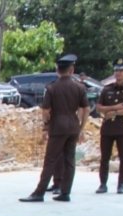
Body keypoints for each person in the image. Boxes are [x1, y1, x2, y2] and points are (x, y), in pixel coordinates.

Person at [19, 54, 89, 203]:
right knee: (69, 160)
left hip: (57, 126)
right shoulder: (79, 87)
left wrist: (46, 126)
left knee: (50, 160)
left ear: (57, 69)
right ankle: (65, 192)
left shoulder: (52, 87)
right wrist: (81, 127)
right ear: (71, 69)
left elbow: (45, 111)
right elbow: (86, 109)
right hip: (73, 125)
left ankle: (39, 192)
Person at [96, 59, 123, 194]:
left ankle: (121, 184)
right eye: (116, 70)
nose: (118, 73)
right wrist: (114, 107)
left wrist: (115, 112)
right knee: (104, 157)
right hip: (108, 127)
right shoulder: (107, 89)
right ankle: (103, 183)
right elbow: (98, 107)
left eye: (121, 70)